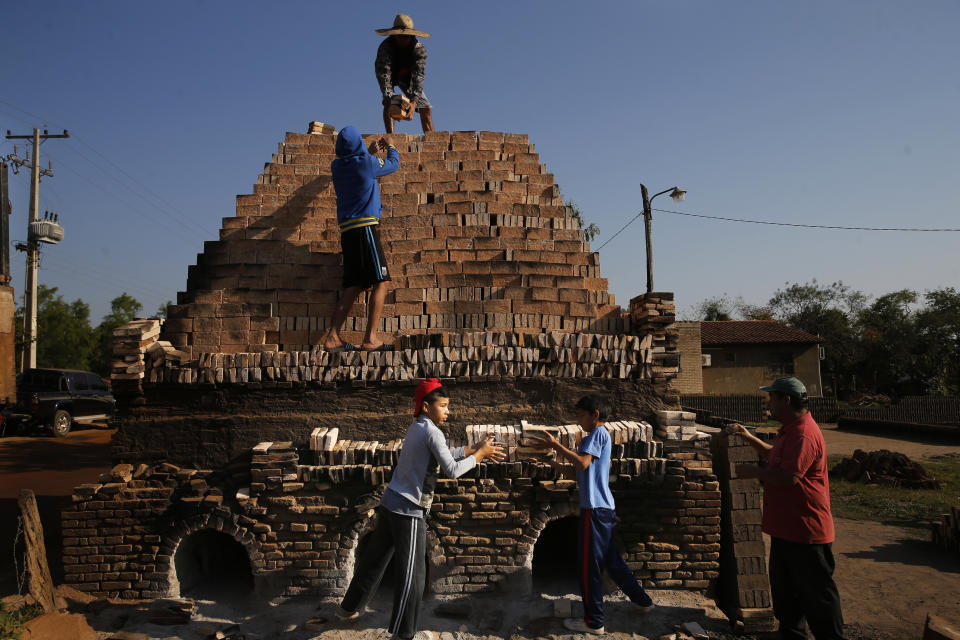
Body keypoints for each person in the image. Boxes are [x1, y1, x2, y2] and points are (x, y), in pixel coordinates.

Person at [336, 379, 505, 640]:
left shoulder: (418, 427)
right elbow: (452, 469)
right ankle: (403, 633)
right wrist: (479, 455)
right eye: (443, 406)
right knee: (413, 576)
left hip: (391, 503)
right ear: (426, 406)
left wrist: (473, 449)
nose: (448, 411)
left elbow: (443, 454)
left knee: (374, 560)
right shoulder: (432, 432)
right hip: (409, 510)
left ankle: (347, 610)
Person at [732, 377, 846, 640]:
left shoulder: (804, 433)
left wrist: (752, 472)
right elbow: (776, 455)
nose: (768, 403)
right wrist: (749, 438)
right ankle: (791, 635)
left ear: (785, 399)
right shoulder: (790, 430)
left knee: (817, 596)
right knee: (787, 593)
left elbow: (788, 476)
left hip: (806, 530)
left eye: (771, 398)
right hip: (786, 528)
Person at [534, 395, 654, 635]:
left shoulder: (597, 435)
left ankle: (594, 622)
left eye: (581, 415)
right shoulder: (596, 439)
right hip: (604, 510)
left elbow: (582, 464)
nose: (579, 421)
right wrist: (552, 462)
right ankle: (643, 601)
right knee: (613, 562)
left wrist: (554, 445)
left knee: (589, 567)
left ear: (595, 415)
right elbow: (577, 472)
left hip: (595, 512)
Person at [323, 126, 398, 352]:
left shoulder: (337, 166)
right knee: (382, 282)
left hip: (347, 231)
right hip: (366, 228)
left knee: (354, 285)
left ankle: (332, 337)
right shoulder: (367, 163)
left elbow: (358, 162)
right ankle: (370, 339)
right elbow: (393, 164)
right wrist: (391, 145)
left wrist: (369, 151)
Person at [375, 14, 434, 134]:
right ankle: (391, 138)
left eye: (407, 36)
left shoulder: (419, 49)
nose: (403, 39)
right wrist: (391, 100)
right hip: (389, 73)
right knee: (389, 102)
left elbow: (419, 76)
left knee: (426, 108)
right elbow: (384, 75)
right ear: (394, 34)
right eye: (400, 36)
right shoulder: (385, 48)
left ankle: (432, 140)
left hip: (407, 77)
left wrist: (414, 102)